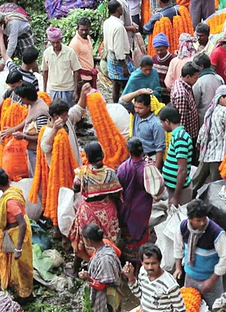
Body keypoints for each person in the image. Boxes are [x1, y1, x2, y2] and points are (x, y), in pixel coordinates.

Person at [123, 244, 187, 312]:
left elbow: (180, 310)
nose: (150, 267)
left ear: (160, 262)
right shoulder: (143, 273)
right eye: (146, 263)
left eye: (154, 263)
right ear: (142, 262)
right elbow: (141, 295)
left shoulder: (169, 284)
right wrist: (131, 278)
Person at [68, 141, 122, 271]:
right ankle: (109, 265)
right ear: (102, 155)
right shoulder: (110, 173)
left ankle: (76, 268)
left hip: (88, 211)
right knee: (107, 238)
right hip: (106, 210)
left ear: (87, 157)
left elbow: (75, 188)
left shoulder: (82, 173)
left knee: (83, 238)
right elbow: (116, 193)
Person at [173, 199, 226, 308]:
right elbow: (178, 247)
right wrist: (178, 268)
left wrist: (212, 280)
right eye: (198, 220)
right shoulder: (182, 228)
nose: (202, 223)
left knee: (216, 309)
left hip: (210, 279)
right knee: (191, 308)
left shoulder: (216, 233)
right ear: (190, 219)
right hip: (190, 277)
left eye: (204, 219)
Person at [78, 224, 125, 312]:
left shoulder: (105, 259)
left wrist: (87, 278)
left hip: (108, 300)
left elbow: (101, 285)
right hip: (109, 296)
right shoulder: (105, 245)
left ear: (89, 241)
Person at [0, 167, 33, 301]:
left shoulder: (10, 201)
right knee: (6, 258)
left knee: (21, 265)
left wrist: (18, 248)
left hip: (18, 233)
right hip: (11, 232)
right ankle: (11, 282)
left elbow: (22, 224)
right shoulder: (13, 191)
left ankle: (25, 294)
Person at [193, 85, 226, 190]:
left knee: (198, 180)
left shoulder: (213, 110)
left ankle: (189, 199)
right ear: (221, 98)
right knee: (215, 184)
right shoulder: (220, 111)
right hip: (217, 155)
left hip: (209, 153)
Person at [117, 138, 154, 267]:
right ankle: (140, 262)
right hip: (143, 208)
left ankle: (129, 263)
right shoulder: (148, 168)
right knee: (141, 234)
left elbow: (119, 189)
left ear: (129, 151)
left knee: (128, 235)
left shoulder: (123, 168)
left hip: (127, 208)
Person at [40, 85, 92, 169]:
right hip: (62, 172)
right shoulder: (49, 131)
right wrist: (55, 129)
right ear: (56, 116)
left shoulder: (66, 120)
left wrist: (83, 93)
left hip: (75, 166)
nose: (67, 116)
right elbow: (45, 148)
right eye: (64, 115)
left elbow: (79, 109)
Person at [4, 83, 50, 176]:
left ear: (26, 97)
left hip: (37, 153)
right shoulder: (33, 104)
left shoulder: (41, 112)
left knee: (38, 178)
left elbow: (43, 137)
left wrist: (23, 136)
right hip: (32, 151)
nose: (20, 100)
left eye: (21, 97)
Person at [120, 89, 165, 167]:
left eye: (140, 108)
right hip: (135, 156)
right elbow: (122, 101)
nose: (137, 110)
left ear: (148, 107)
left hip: (150, 158)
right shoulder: (136, 114)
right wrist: (139, 92)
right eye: (135, 107)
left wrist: (157, 168)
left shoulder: (156, 124)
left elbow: (160, 149)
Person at [160, 105, 194, 206]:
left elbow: (182, 170)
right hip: (172, 187)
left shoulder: (180, 138)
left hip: (179, 191)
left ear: (167, 121)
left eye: (162, 123)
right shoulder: (177, 136)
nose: (162, 126)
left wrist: (176, 197)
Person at [42, 27, 82, 106]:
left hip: (68, 89)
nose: (56, 45)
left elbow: (76, 71)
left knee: (69, 114)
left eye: (57, 42)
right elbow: (45, 71)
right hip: (53, 89)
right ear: (50, 41)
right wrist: (44, 90)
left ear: (61, 40)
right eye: (53, 42)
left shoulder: (70, 52)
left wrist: (75, 91)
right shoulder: (47, 53)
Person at [170, 61, 200, 145]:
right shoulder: (181, 94)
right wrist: (182, 139)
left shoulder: (184, 84)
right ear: (188, 76)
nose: (196, 80)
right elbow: (181, 119)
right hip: (187, 136)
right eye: (195, 77)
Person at [193, 53, 225, 127]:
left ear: (201, 66)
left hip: (203, 120)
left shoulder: (198, 82)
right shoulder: (219, 78)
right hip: (218, 117)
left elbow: (195, 103)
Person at [68, 17, 97, 89]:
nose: (84, 32)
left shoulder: (88, 38)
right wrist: (78, 82)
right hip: (82, 78)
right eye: (82, 30)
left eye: (86, 30)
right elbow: (72, 65)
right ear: (77, 29)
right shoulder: (75, 43)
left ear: (90, 29)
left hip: (90, 76)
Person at [151, 32, 174, 101]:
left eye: (161, 50)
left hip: (167, 93)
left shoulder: (172, 60)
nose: (159, 52)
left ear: (166, 48)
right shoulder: (154, 59)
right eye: (157, 50)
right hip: (156, 91)